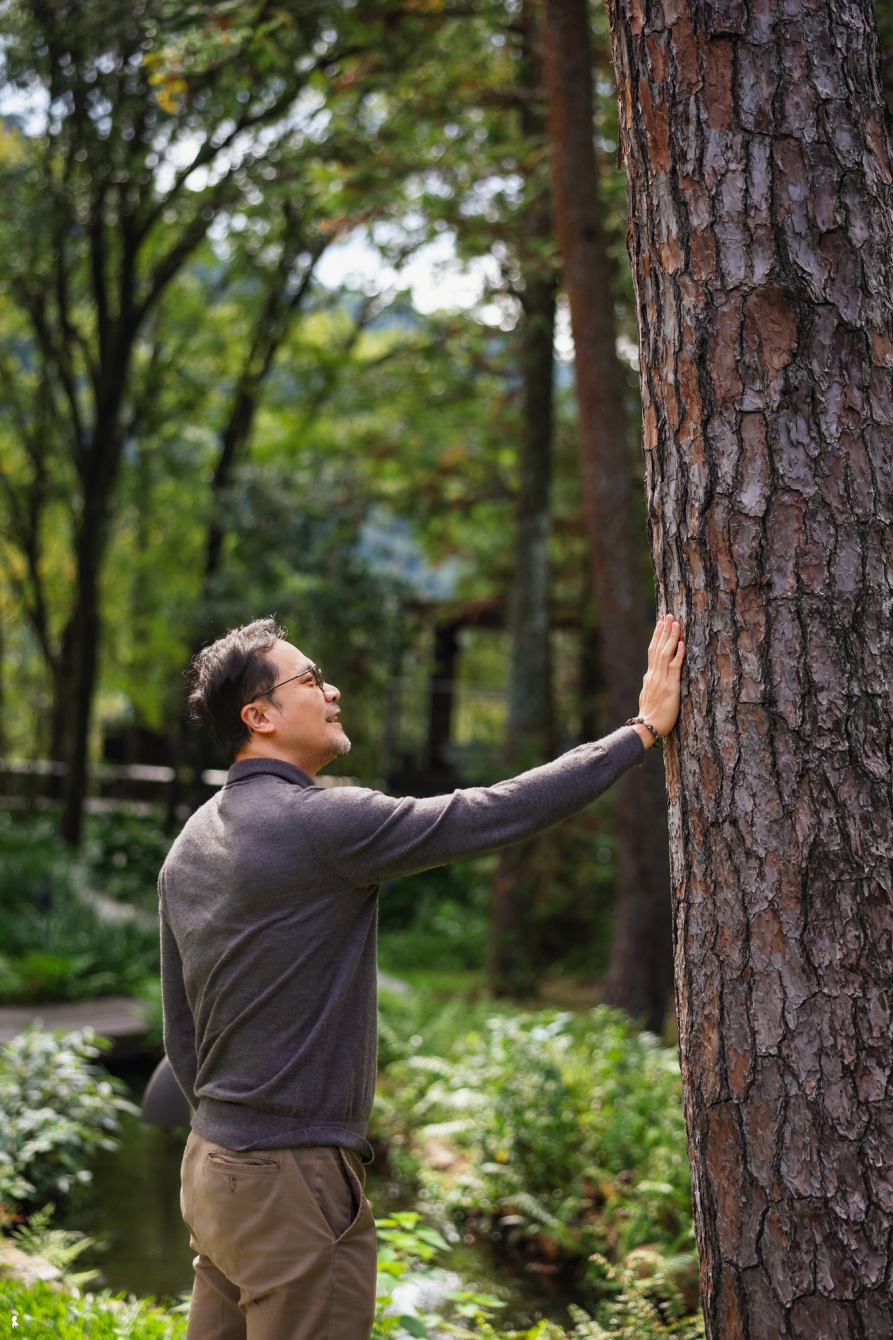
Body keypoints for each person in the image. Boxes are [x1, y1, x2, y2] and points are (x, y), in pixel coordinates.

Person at [161, 613, 685, 1340]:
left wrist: (233, 1129)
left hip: (211, 1166)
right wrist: (641, 731)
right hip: (288, 1176)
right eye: (311, 679)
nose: (332, 691)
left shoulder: (191, 840)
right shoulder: (319, 824)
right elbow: (492, 812)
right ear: (260, 716)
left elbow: (180, 1031)